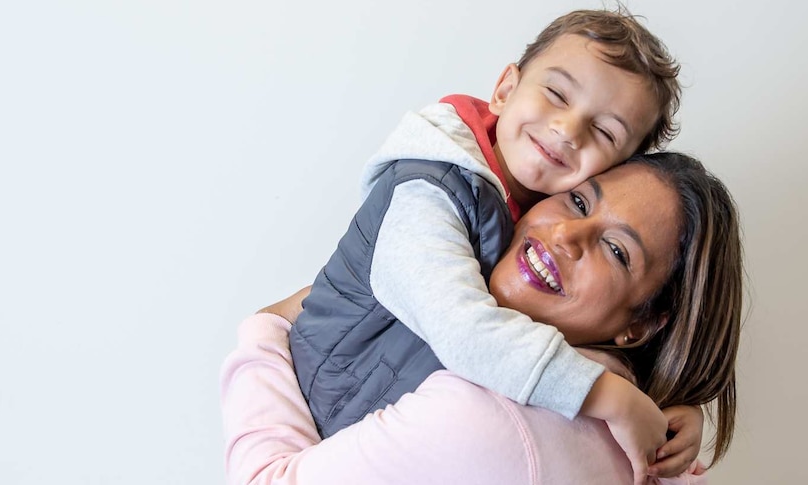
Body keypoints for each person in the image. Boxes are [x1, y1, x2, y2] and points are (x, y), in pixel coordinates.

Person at [288, 7, 683, 481]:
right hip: (315, 406)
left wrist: (680, 413)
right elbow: (462, 328)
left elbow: (605, 333)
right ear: (504, 91)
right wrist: (610, 397)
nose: (567, 129)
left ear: (615, 170)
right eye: (556, 93)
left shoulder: (533, 218)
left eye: (603, 131)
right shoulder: (428, 186)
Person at [221, 152, 742, 485]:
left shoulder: (491, 416)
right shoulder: (639, 432)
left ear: (643, 326)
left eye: (616, 250)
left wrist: (263, 331)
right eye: (578, 201)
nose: (565, 236)